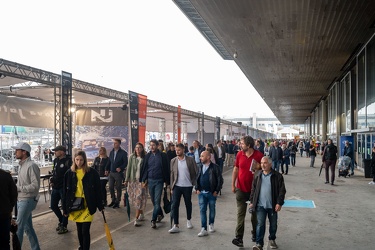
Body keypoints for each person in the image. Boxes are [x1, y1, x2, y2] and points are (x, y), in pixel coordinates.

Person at [62, 150, 103, 250]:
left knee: (85, 230)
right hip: (75, 205)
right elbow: (65, 192)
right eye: (77, 160)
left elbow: (98, 190)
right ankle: (81, 246)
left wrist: (100, 204)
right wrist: (65, 208)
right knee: (79, 229)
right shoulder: (69, 173)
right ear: (74, 160)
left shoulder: (92, 173)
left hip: (88, 205)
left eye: (81, 160)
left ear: (85, 160)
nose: (79, 162)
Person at [231, 136, 264, 247]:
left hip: (255, 191)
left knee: (254, 214)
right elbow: (236, 169)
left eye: (242, 143)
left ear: (249, 145)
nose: (240, 145)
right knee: (240, 214)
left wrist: (259, 166)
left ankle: (255, 232)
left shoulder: (259, 155)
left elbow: (266, 170)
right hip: (240, 188)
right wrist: (233, 184)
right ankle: (239, 237)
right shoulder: (239, 154)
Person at [250, 156, 286, 250]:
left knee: (273, 224)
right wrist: (251, 201)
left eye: (265, 163)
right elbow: (253, 189)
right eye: (261, 163)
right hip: (260, 205)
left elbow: (282, 191)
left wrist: (279, 203)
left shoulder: (277, 176)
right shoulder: (257, 175)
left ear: (270, 164)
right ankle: (259, 244)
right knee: (260, 224)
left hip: (272, 205)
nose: (263, 165)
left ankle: (272, 239)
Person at [11, 142, 41, 250]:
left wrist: (18, 188)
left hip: (27, 200)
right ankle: (36, 248)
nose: (15, 152)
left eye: (17, 150)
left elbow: (35, 186)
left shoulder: (31, 166)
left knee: (18, 227)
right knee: (28, 228)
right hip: (22, 200)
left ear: (24, 152)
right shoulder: (22, 166)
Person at [168, 143, 198, 233]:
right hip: (177, 186)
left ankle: (189, 220)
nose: (177, 152)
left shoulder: (190, 160)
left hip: (188, 186)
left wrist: (195, 185)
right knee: (174, 205)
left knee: (188, 203)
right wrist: (171, 187)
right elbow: (172, 175)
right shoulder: (173, 161)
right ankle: (176, 225)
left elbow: (196, 172)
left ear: (183, 150)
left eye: (179, 150)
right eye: (176, 150)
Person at [141, 139, 170, 229]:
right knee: (154, 201)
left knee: (157, 201)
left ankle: (153, 220)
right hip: (150, 181)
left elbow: (167, 168)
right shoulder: (147, 156)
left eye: (154, 145)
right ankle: (160, 214)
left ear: (157, 146)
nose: (152, 147)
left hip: (159, 181)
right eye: (151, 145)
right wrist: (143, 180)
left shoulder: (163, 156)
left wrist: (167, 181)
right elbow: (144, 168)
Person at [195, 150, 223, 237]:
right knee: (202, 210)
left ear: (208, 157)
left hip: (211, 193)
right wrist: (197, 188)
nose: (200, 158)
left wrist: (216, 191)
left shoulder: (215, 167)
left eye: (202, 156)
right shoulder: (199, 167)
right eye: (200, 156)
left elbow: (220, 180)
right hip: (201, 193)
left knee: (212, 209)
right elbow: (196, 178)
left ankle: (211, 223)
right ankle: (204, 228)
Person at [50, 145, 72, 234]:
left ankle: (64, 225)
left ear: (62, 152)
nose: (55, 152)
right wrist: (52, 180)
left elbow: (70, 175)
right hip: (55, 187)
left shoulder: (68, 161)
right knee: (53, 205)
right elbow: (54, 171)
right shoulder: (55, 160)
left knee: (65, 207)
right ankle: (61, 220)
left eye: (56, 151)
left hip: (63, 188)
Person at [124, 142, 147, 226]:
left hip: (141, 182)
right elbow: (128, 169)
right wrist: (126, 180)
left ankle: (136, 219)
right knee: (135, 199)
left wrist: (146, 181)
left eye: (139, 148)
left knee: (138, 198)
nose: (138, 149)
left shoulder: (145, 158)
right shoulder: (131, 157)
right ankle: (141, 213)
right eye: (136, 147)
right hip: (133, 181)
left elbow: (146, 170)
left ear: (142, 149)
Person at [105, 139, 128, 209]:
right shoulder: (111, 152)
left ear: (119, 144)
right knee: (111, 186)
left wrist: (121, 168)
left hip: (118, 173)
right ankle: (113, 200)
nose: (114, 144)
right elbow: (109, 161)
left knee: (118, 188)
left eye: (116, 143)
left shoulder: (123, 153)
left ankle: (117, 201)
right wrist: (106, 169)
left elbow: (125, 163)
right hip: (111, 172)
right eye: (114, 143)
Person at [0, 168, 18, 249]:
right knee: (5, 242)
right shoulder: (6, 175)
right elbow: (14, 195)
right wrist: (9, 209)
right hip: (4, 215)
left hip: (4, 214)